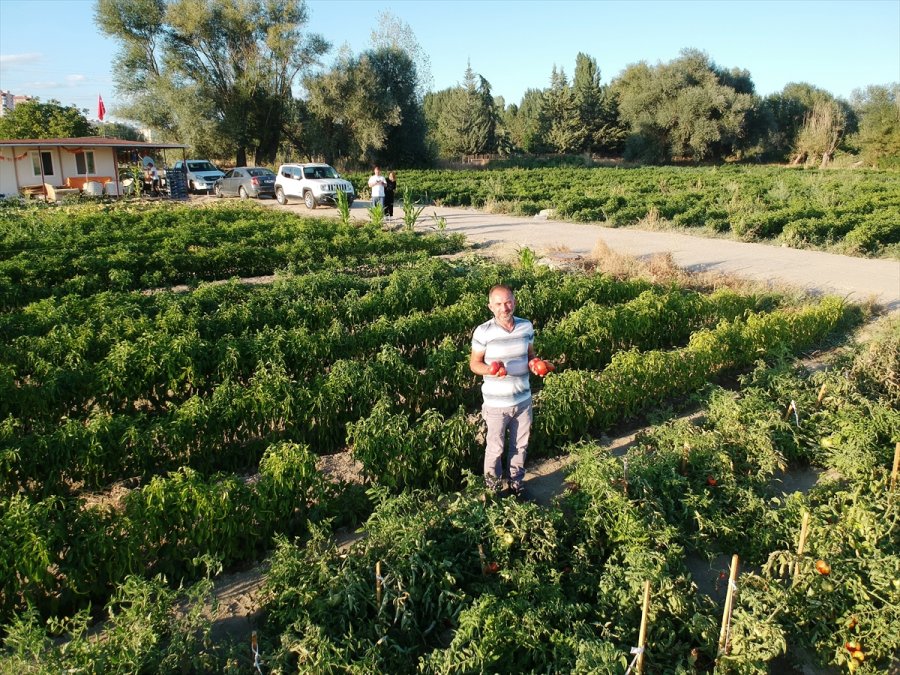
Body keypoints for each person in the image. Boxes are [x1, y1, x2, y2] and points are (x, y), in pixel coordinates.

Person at [469, 284, 551, 498]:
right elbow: (474, 363)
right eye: (498, 304)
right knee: (495, 448)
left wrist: (536, 364)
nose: (504, 308)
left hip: (523, 399)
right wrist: (490, 370)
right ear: (490, 307)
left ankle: (516, 484)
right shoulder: (483, 331)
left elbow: (530, 354)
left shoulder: (526, 327)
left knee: (520, 446)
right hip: (496, 404)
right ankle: (493, 488)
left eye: (507, 302)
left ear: (514, 302)